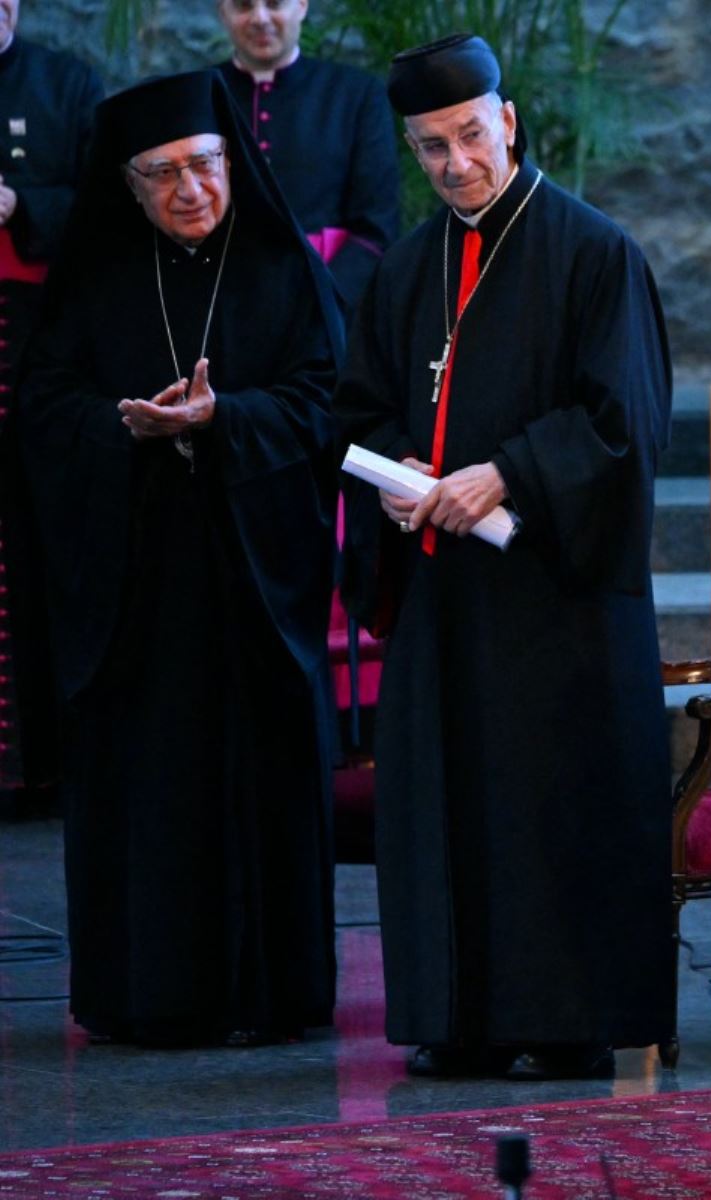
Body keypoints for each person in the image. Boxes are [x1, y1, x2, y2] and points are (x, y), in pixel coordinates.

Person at [335, 34, 674, 1082]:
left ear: (509, 122)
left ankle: (564, 1020)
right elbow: (364, 407)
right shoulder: (405, 268)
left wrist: (509, 473)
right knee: (450, 805)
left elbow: (627, 422)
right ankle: (458, 1016)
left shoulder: (592, 252)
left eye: (470, 137)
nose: (454, 164)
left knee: (549, 806)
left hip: (554, 598)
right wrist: (396, 479)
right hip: (446, 593)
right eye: (431, 148)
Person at [18, 69, 342, 1045]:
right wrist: (123, 430)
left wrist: (224, 419)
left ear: (233, 162)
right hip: (136, 592)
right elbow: (40, 409)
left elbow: (330, 402)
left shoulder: (285, 273)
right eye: (160, 174)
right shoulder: (96, 281)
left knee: (255, 784)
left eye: (203, 165)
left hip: (253, 586)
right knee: (147, 793)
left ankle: (271, 997)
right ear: (127, 186)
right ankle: (141, 997)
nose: (188, 190)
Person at [0, 0, 104, 815]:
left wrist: (17, 206)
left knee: (45, 549)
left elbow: (105, 208)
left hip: (34, 355)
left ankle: (48, 767)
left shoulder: (67, 83)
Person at [214, 0, 400, 306]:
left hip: (329, 306)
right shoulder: (198, 95)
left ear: (301, 5)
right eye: (243, 6)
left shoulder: (356, 95)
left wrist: (320, 301)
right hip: (222, 305)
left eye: (274, 4)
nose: (260, 18)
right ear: (223, 12)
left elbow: (375, 230)